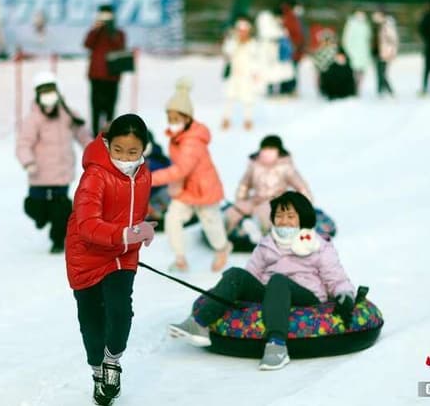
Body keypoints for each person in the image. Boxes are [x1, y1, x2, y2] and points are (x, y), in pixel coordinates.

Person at [169, 191, 356, 371]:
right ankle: (199, 323)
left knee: (278, 281)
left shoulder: (319, 245)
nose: (284, 221)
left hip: (306, 294)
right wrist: (238, 288)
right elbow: (252, 274)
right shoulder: (267, 243)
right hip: (270, 293)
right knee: (236, 274)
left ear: (303, 218)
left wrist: (344, 294)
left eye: (290, 216)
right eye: (279, 216)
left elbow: (335, 276)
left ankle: (277, 345)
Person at [65, 114, 155, 406]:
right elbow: (86, 225)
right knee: (91, 319)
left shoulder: (143, 173)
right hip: (87, 256)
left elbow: (134, 213)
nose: (124, 157)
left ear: (144, 149)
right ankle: (96, 372)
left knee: (119, 311)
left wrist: (142, 229)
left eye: (132, 152)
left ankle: (112, 361)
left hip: (122, 255)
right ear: (107, 143)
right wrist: (128, 234)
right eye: (118, 150)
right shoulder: (95, 175)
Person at [152, 78, 232, 272]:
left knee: (210, 221)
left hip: (204, 188)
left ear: (187, 119)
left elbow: (181, 169)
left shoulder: (193, 141)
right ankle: (180, 257)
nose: (172, 123)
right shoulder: (177, 136)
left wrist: (150, 179)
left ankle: (222, 248)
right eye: (170, 119)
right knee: (173, 218)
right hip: (185, 188)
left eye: (176, 120)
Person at [16, 71, 92, 253]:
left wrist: (94, 153)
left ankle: (58, 240)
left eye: (51, 91)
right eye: (44, 92)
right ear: (38, 95)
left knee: (62, 209)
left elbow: (83, 135)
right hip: (39, 174)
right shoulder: (33, 119)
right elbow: (23, 144)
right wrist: (28, 162)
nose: (48, 95)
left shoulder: (67, 114)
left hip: (61, 174)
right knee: (34, 207)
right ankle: (43, 218)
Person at [225, 135, 313, 240]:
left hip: (275, 200)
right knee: (235, 211)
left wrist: (306, 207)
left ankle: (257, 233)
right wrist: (240, 200)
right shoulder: (254, 165)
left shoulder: (285, 167)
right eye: (265, 149)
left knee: (264, 213)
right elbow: (244, 184)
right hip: (256, 199)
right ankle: (225, 230)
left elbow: (301, 187)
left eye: (271, 149)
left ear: (278, 151)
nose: (267, 152)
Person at [84, 4, 126, 136]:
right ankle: (95, 134)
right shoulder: (95, 32)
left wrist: (110, 29)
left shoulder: (118, 33)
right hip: (96, 76)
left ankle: (109, 133)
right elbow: (87, 44)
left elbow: (119, 46)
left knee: (110, 107)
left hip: (112, 76)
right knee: (95, 107)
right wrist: (96, 29)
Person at [222, 16, 262, 130]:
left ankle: (248, 120)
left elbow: (256, 59)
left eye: (244, 31)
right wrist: (235, 41)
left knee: (248, 99)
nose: (242, 33)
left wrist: (255, 73)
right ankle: (226, 119)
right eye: (240, 31)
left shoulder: (253, 44)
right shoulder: (232, 42)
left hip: (247, 75)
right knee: (229, 97)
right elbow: (228, 52)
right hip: (234, 74)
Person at [255, 9, 296, 97]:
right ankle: (271, 89)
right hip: (269, 52)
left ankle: (281, 89)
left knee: (280, 72)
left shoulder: (278, 26)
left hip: (278, 53)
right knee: (270, 72)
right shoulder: (268, 23)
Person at [277, 0, 305, 94]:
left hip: (293, 46)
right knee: (289, 69)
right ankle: (287, 89)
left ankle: (288, 88)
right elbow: (292, 32)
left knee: (291, 68)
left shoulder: (292, 16)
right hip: (291, 47)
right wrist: (296, 44)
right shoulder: (290, 16)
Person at [342, 9, 372, 92]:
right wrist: (347, 51)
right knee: (353, 71)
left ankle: (358, 88)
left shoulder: (366, 24)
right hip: (353, 52)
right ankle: (352, 88)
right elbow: (346, 39)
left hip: (363, 52)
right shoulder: (351, 24)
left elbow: (368, 38)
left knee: (361, 71)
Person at [371, 10, 399, 97]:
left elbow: (393, 41)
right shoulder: (376, 26)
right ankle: (380, 90)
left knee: (382, 73)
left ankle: (389, 91)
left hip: (385, 53)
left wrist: (391, 53)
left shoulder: (387, 26)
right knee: (379, 73)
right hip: (376, 52)